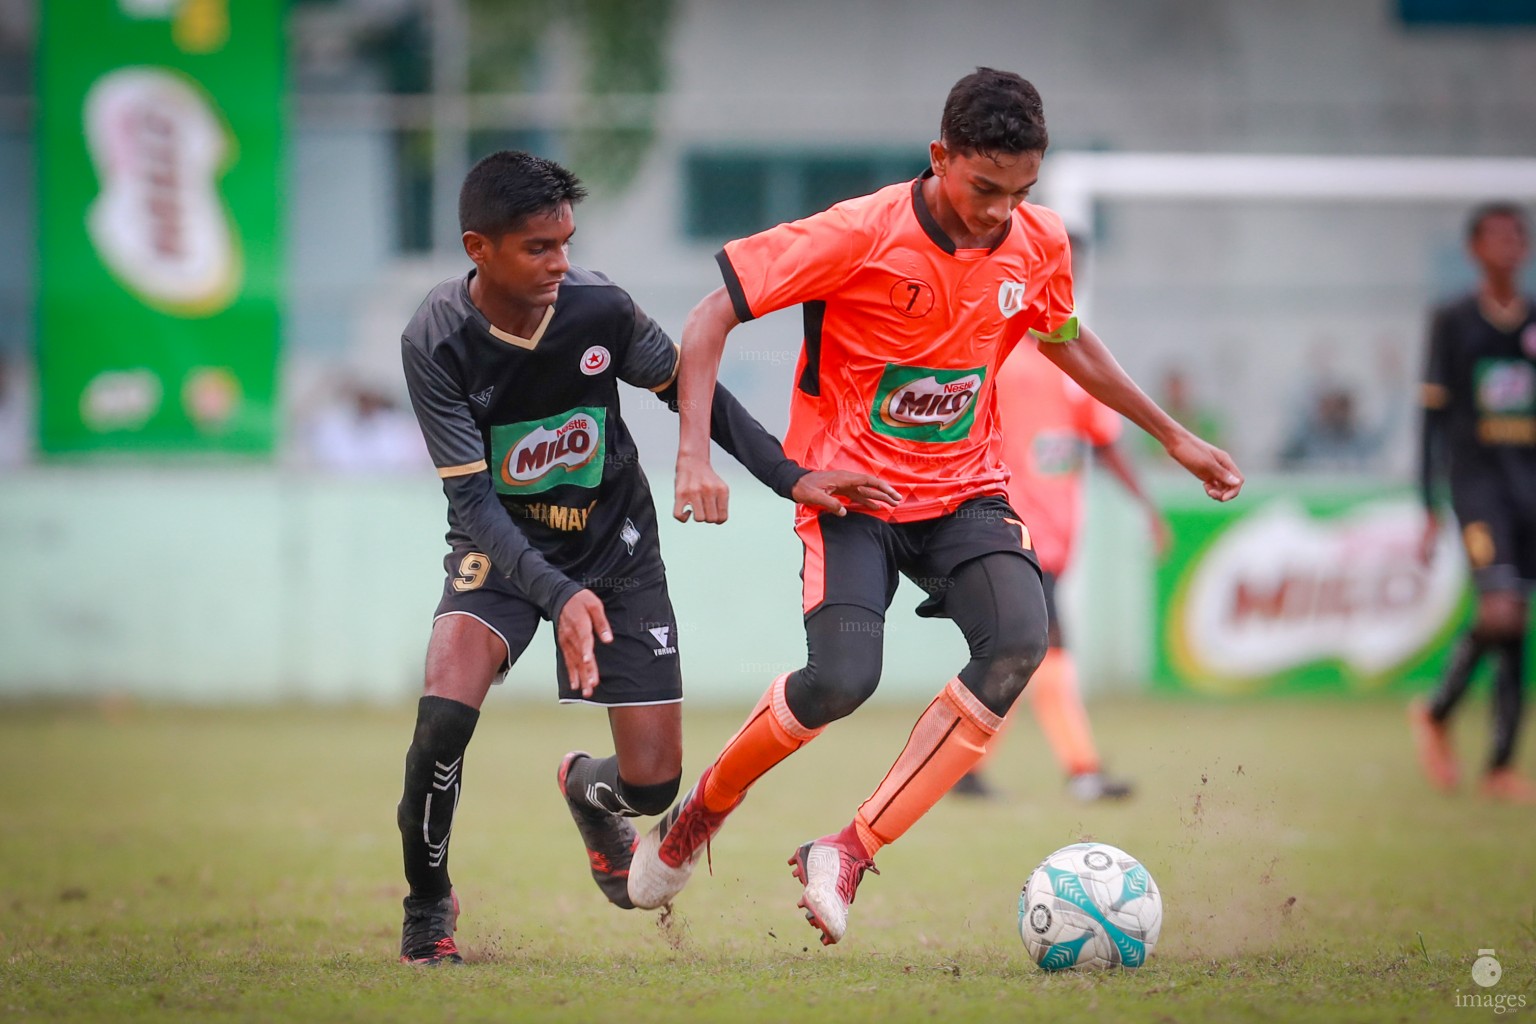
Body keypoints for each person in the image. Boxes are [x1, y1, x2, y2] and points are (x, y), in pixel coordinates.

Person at [625, 68, 1242, 946]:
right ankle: (704, 811)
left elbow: (1066, 340)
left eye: (1020, 192)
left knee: (1020, 643)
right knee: (841, 681)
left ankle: (846, 849)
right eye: (984, 187)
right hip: (853, 493)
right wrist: (691, 453)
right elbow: (709, 315)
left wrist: (1172, 435)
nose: (1000, 211)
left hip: (966, 490)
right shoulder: (859, 232)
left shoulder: (1037, 241)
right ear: (939, 156)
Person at [394, 150, 895, 965]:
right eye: (538, 248)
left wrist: (791, 477)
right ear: (477, 248)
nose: (561, 263)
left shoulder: (599, 309)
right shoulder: (437, 339)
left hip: (616, 551)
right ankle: (426, 906)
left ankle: (588, 791)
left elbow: (693, 389)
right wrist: (557, 597)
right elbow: (475, 503)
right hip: (503, 552)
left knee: (656, 783)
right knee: (443, 717)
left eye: (566, 243)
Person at [952, 339, 1170, 802]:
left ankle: (962, 766)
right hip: (1012, 528)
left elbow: (1106, 443)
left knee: (1015, 656)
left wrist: (1146, 508)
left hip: (1058, 539)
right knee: (1049, 647)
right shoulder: (1003, 358)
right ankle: (1083, 770)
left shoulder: (1078, 366)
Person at [1410, 201, 1536, 805]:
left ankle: (1500, 766)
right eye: (1497, 237)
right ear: (1475, 250)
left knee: (1519, 623)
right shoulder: (1454, 320)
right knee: (1502, 612)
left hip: (1529, 489)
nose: (1509, 246)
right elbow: (1430, 416)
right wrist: (1427, 502)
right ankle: (1435, 712)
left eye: (1518, 236)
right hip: (1477, 486)